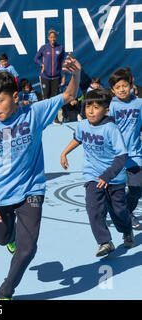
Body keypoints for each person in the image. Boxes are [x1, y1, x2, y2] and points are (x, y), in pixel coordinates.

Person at [0, 53, 81, 300]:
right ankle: (9, 236)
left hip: (32, 190)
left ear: (15, 97)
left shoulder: (34, 112)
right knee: (0, 239)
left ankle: (7, 289)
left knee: (28, 249)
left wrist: (75, 74)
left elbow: (69, 96)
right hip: (1, 194)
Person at [61, 89, 134, 257]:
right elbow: (78, 138)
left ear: (106, 110)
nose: (91, 111)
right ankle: (105, 242)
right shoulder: (83, 125)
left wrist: (107, 175)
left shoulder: (111, 128)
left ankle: (126, 230)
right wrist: (64, 152)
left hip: (114, 178)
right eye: (88, 107)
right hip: (92, 174)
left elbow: (122, 156)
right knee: (93, 207)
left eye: (95, 107)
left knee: (119, 211)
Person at [108, 67, 142, 229]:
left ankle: (127, 211)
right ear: (113, 90)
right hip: (116, 156)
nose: (122, 89)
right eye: (118, 87)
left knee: (137, 188)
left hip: (135, 154)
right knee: (115, 192)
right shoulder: (112, 107)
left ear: (131, 85)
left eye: (124, 85)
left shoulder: (140, 103)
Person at [34, 28, 66, 124]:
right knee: (46, 99)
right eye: (51, 37)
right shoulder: (44, 48)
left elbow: (63, 63)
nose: (53, 39)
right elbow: (36, 59)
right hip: (45, 77)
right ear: (48, 38)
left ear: (56, 37)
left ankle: (55, 118)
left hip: (56, 78)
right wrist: (41, 65)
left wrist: (63, 76)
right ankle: (45, 119)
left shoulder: (60, 48)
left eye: (54, 37)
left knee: (54, 99)